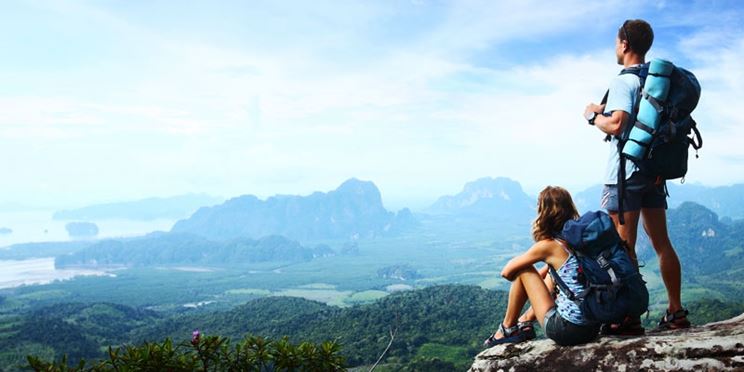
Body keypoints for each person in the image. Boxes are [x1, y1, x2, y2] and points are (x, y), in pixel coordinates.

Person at [583, 19, 690, 333]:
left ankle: (627, 316)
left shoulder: (624, 82)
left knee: (622, 246)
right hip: (655, 174)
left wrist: (592, 116)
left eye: (616, 42)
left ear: (624, 44)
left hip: (626, 174)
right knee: (662, 244)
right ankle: (676, 311)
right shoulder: (658, 83)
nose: (615, 47)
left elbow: (616, 124)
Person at [483, 186, 600, 347]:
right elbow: (557, 274)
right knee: (551, 273)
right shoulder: (578, 240)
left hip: (567, 330)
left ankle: (507, 329)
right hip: (592, 326)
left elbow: (507, 272)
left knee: (524, 269)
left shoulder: (549, 245)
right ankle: (524, 321)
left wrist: (527, 273)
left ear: (544, 212)